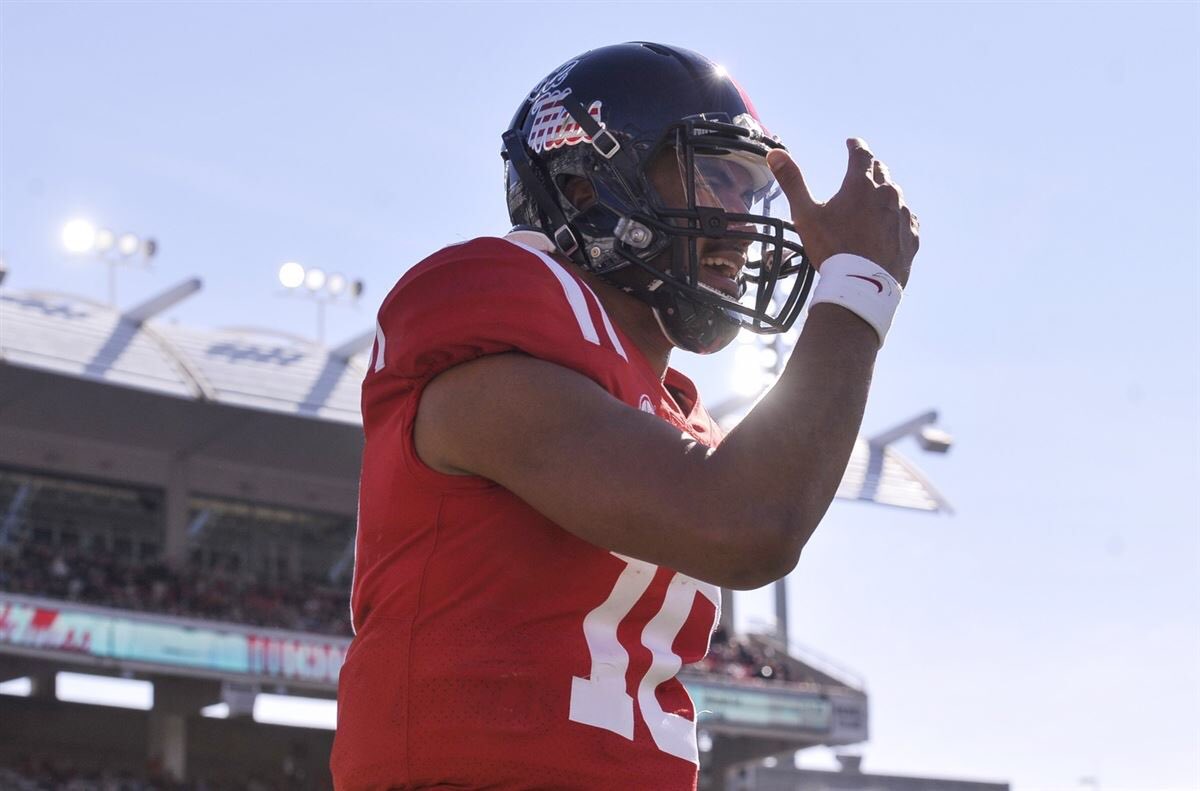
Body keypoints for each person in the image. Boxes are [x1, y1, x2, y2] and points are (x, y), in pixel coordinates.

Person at [331, 42, 918, 790]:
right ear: (584, 188)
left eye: (748, 194)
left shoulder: (670, 413)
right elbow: (748, 522)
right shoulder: (492, 329)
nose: (740, 222)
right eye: (716, 181)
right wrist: (859, 292)